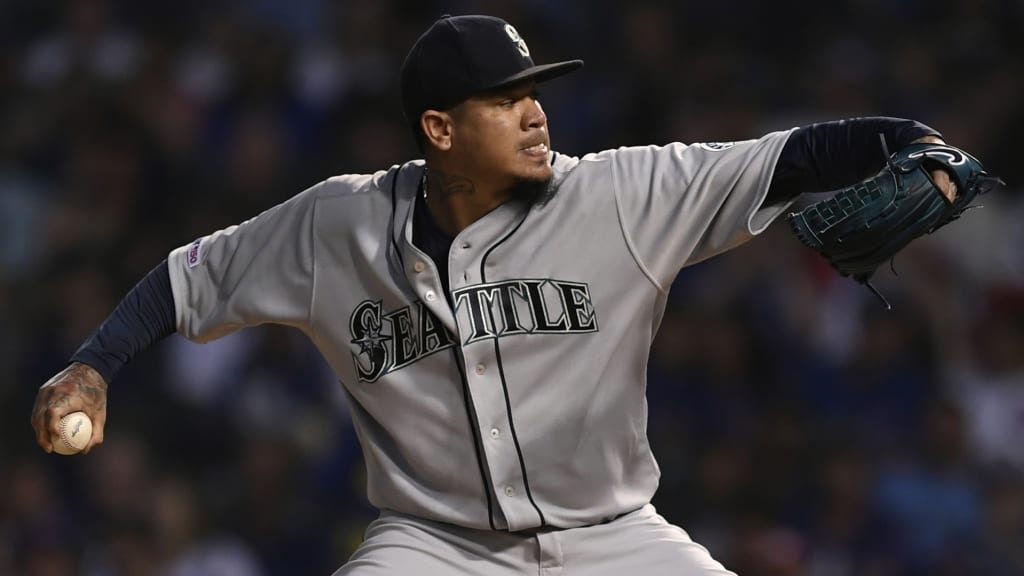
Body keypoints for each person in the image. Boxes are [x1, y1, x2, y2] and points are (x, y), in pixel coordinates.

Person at [32, 14, 960, 575]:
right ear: (440, 129)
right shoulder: (334, 225)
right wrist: (93, 366)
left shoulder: (616, 195)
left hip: (613, 538)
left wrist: (914, 142)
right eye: (505, 100)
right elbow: (185, 279)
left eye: (534, 92)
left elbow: (785, 156)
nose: (535, 113)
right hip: (433, 546)